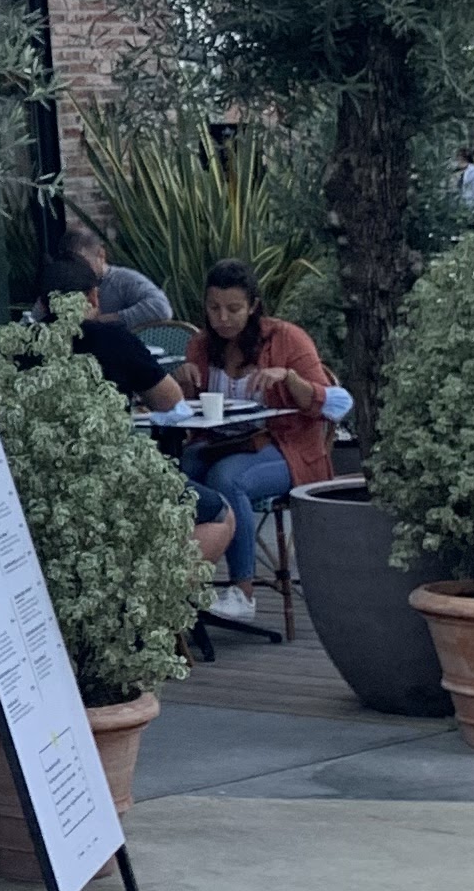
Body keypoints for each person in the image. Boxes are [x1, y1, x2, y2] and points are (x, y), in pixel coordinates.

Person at [180, 261, 346, 627]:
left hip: (287, 446)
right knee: (180, 474)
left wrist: (288, 378)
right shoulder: (202, 345)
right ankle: (184, 579)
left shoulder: (287, 338)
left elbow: (331, 403)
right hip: (221, 443)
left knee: (227, 479)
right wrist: (183, 383)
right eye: (214, 308)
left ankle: (243, 592)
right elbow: (187, 411)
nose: (223, 318)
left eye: (233, 309)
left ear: (253, 306)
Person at [38, 256, 181, 408]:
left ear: (42, 305)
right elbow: (171, 401)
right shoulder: (115, 340)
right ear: (93, 297)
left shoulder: (25, 343)